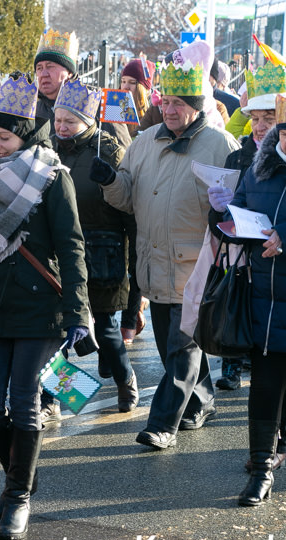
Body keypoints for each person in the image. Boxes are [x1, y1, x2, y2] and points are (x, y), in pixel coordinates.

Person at [0, 72, 90, 540]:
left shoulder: (52, 178)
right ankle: (20, 475)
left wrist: (77, 311)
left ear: (24, 133)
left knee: (25, 407)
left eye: (2, 137)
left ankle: (18, 498)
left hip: (41, 309)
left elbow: (71, 247)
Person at [91, 54, 240, 451]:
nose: (170, 110)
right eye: (166, 101)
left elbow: (235, 205)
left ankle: (162, 425)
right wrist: (109, 181)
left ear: (196, 106)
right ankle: (203, 400)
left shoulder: (220, 144)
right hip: (153, 264)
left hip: (197, 267)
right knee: (173, 346)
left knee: (180, 348)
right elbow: (128, 198)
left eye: (180, 103)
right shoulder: (144, 141)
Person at [207, 111, 286, 507]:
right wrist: (225, 215)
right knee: (265, 388)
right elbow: (236, 211)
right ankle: (261, 470)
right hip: (265, 302)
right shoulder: (259, 169)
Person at [52, 79, 138, 412]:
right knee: (53, 334)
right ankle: (59, 398)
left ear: (87, 121)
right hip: (60, 254)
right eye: (58, 120)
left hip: (102, 253)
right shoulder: (49, 149)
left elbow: (128, 207)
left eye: (69, 121)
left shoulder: (109, 149)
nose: (61, 127)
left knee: (106, 329)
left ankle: (125, 380)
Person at [33, 28, 131, 149]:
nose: (43, 74)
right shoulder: (32, 110)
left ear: (69, 72)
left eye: (50, 66)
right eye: (39, 68)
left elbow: (125, 152)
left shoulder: (105, 101)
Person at [116, 58, 155, 345]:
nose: (126, 88)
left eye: (132, 83)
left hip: (143, 191)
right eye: (124, 82)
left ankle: (129, 319)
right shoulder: (114, 107)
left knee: (137, 260)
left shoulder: (153, 114)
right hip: (119, 187)